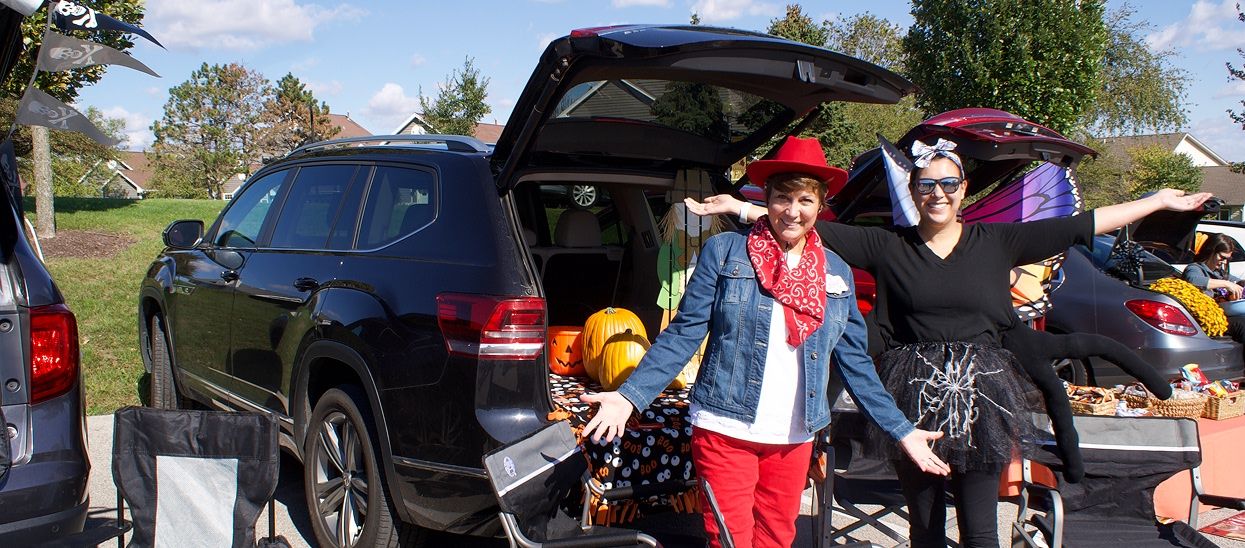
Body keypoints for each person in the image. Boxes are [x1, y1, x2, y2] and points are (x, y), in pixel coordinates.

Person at [686, 137, 1211, 548]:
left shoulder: (998, 240)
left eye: (948, 184)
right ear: (914, 192)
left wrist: (1158, 200)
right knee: (926, 529)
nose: (937, 194)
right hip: (915, 399)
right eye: (926, 185)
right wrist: (742, 206)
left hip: (982, 401)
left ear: (963, 190)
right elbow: (807, 224)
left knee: (981, 530)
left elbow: (1079, 226)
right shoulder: (888, 245)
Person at [580, 136, 949, 548]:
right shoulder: (725, 253)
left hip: (793, 435)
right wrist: (629, 396)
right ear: (767, 199)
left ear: (820, 204)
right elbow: (684, 333)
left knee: (776, 539)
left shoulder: (838, 274)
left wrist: (901, 430)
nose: (792, 211)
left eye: (805, 200)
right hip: (724, 427)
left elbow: (855, 365)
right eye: (782, 198)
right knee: (729, 540)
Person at [1182, 232, 1245, 344]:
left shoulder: (1219, 273)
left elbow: (1236, 281)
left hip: (1223, 315)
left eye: (1227, 259)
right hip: (1205, 320)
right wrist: (1226, 284)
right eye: (1221, 257)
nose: (1224, 262)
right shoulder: (1195, 268)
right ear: (1211, 251)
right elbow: (1192, 280)